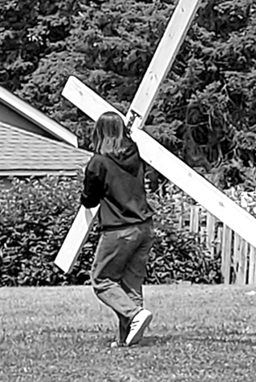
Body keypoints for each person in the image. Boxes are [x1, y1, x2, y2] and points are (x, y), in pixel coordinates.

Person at [81, 111, 155, 348]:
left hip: (119, 229)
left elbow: (89, 199)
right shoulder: (134, 154)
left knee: (102, 280)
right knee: (131, 283)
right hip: (144, 227)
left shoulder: (98, 162)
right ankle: (127, 340)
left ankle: (135, 314)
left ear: (99, 132)